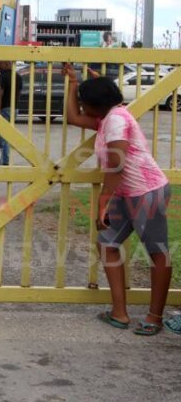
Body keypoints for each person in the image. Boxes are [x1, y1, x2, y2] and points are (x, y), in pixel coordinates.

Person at [63, 63, 172, 336]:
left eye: (84, 102)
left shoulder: (116, 120)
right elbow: (73, 118)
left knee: (157, 252)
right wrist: (74, 83)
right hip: (127, 194)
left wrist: (103, 202)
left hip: (146, 192)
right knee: (107, 244)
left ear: (95, 104)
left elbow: (117, 164)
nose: (82, 107)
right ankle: (120, 313)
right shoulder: (109, 117)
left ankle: (154, 316)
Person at [0, 60, 18, 166]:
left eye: (0, 64)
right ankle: (5, 158)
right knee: (8, 134)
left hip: (5, 108)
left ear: (6, 64)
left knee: (2, 135)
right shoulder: (18, 76)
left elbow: (0, 94)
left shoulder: (3, 76)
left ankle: (5, 160)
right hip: (15, 108)